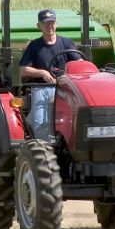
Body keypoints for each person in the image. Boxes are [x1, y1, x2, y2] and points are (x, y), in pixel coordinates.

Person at [19, 9, 81, 141]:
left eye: (52, 23)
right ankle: (42, 144)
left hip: (63, 86)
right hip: (41, 87)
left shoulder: (66, 43)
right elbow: (24, 70)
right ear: (39, 26)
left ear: (56, 24)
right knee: (39, 121)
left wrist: (67, 77)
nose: (49, 26)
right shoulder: (34, 46)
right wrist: (41, 72)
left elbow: (79, 63)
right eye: (46, 23)